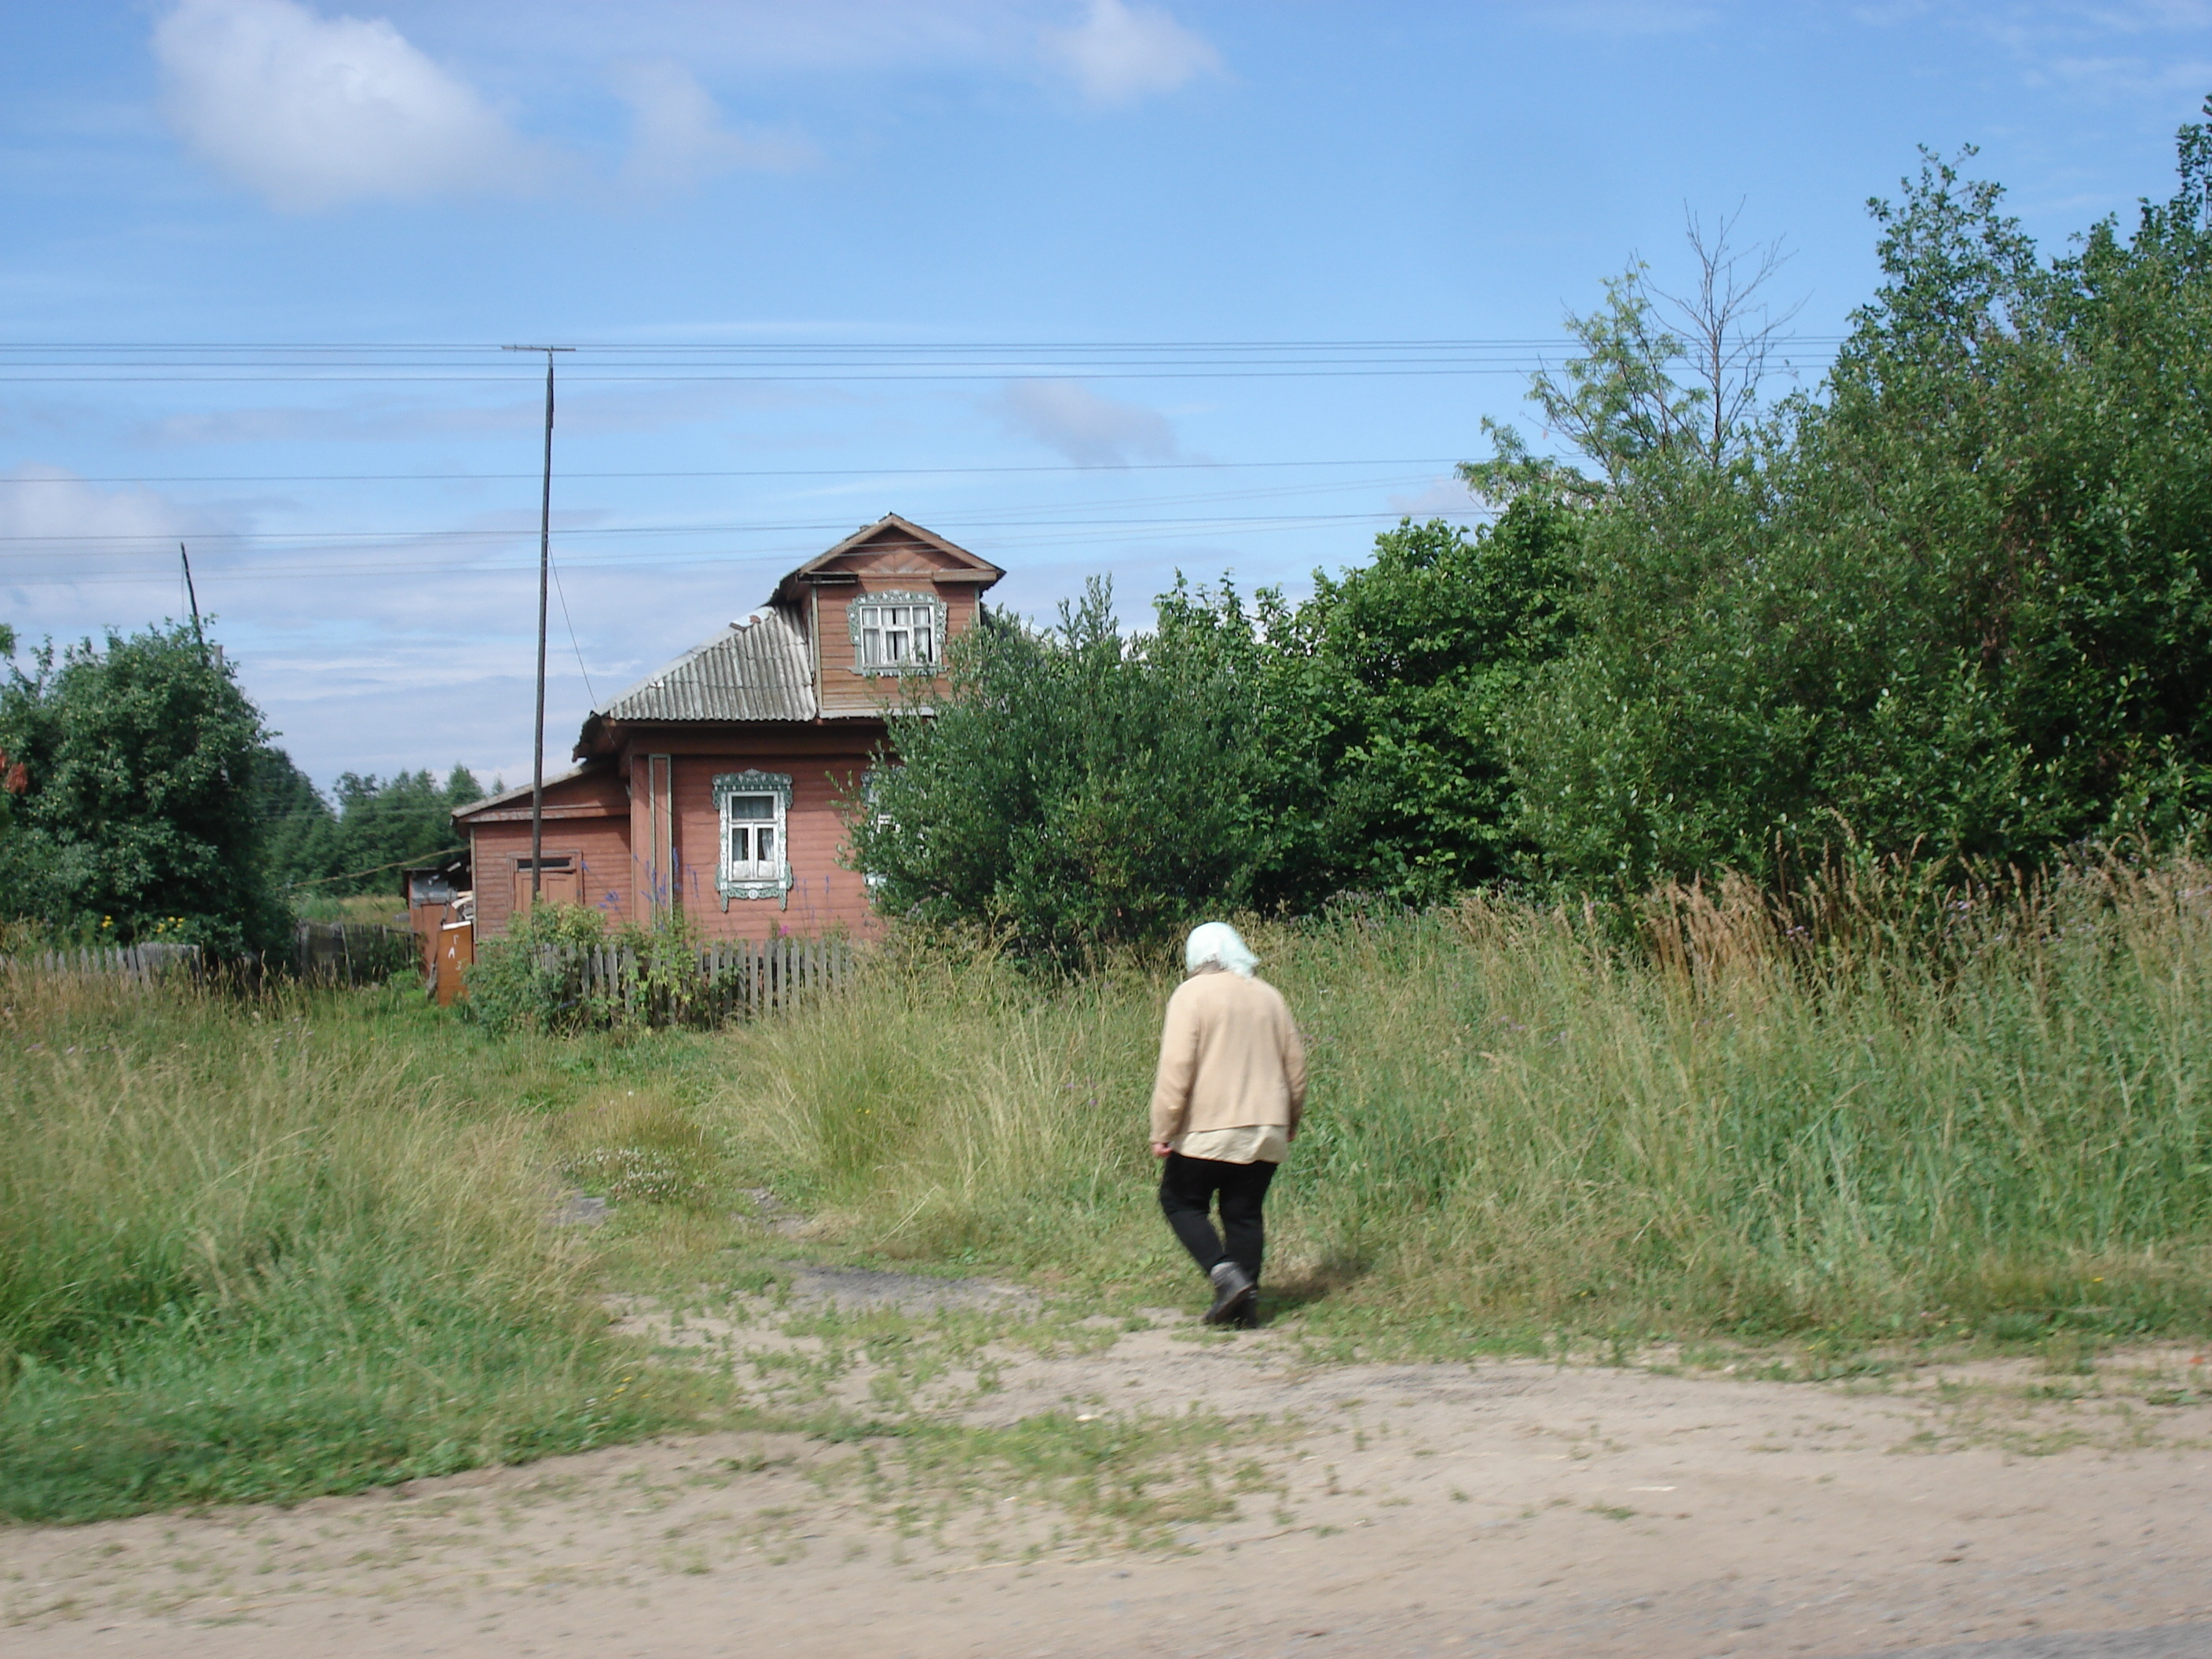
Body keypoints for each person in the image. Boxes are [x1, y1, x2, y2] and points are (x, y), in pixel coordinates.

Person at [1148, 921, 1308, 1327]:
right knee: (1244, 1213)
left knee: (1181, 1202)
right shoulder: (1270, 996)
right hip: (1266, 1128)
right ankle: (1245, 1310)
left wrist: (1163, 1129)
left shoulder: (1191, 995)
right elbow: (1296, 1068)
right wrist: (1290, 1120)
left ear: (1195, 956)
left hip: (1208, 1129)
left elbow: (1176, 1068)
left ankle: (1225, 1277)